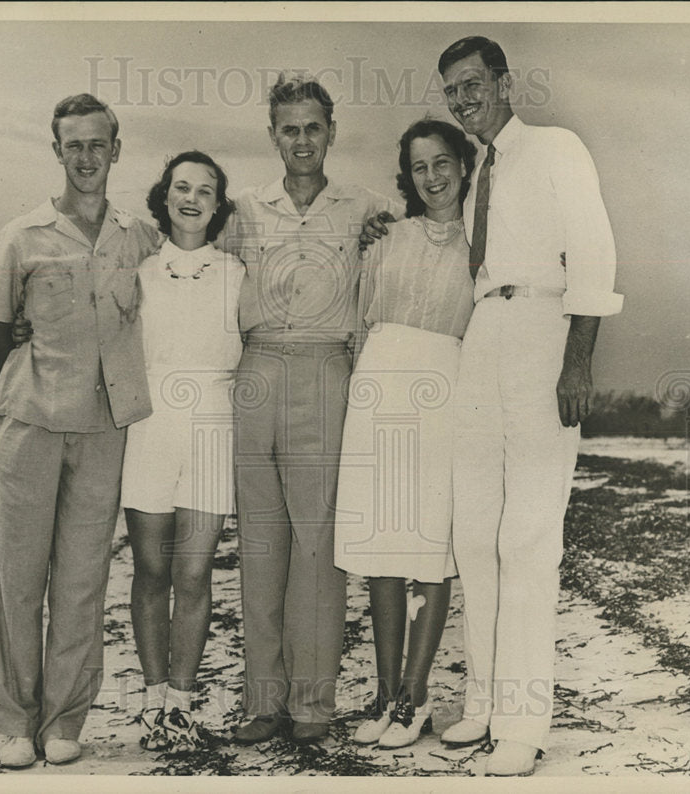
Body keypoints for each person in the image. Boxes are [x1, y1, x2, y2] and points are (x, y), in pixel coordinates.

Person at [362, 37, 623, 776]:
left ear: (505, 83)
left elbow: (594, 256)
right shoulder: (477, 175)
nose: (464, 98)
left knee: (529, 537)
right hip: (482, 336)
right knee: (475, 535)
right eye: (453, 90)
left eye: (474, 84)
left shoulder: (555, 148)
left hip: (543, 333)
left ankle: (523, 720)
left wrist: (578, 361)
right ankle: (481, 702)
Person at [0, 93, 162, 768]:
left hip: (105, 429)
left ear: (116, 150)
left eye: (97, 144)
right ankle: (13, 724)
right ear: (58, 152)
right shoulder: (21, 235)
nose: (86, 157)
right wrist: (37, 384)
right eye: (73, 145)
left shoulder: (140, 237)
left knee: (82, 580)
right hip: (29, 425)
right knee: (19, 577)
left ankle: (63, 721)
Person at [218, 73, 400, 745]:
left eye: (313, 127)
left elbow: (423, 243)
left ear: (332, 131)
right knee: (261, 546)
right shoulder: (240, 211)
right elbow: (182, 269)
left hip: (326, 371)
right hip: (256, 369)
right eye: (289, 129)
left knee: (318, 547)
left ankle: (313, 707)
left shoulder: (365, 207)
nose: (302, 140)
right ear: (272, 135)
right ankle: (263, 703)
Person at [334, 118, 475, 750]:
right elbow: (357, 319)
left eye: (442, 163)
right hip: (377, 388)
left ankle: (414, 696)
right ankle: (384, 692)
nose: (432, 177)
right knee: (380, 552)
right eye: (419, 167)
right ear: (407, 176)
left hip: (441, 395)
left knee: (426, 549)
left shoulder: (483, 240)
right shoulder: (386, 235)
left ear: (464, 167)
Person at [122, 152, 243, 752]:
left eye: (205, 190)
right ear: (164, 197)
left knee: (194, 573)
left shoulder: (238, 274)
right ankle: (150, 701)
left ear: (219, 205)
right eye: (181, 188)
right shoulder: (138, 273)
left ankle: (181, 704)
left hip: (213, 427)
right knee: (151, 570)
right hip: (149, 426)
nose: (191, 199)